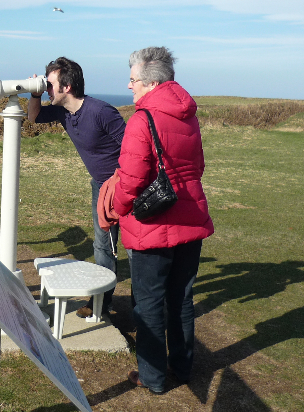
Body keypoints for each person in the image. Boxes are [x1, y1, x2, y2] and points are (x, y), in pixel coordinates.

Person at [112, 46, 214, 394]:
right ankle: (182, 368)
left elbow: (131, 180)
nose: (129, 86)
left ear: (151, 82)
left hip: (152, 225)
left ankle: (152, 377)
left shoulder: (142, 120)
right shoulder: (188, 116)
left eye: (133, 79)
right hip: (190, 216)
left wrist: (117, 208)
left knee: (149, 302)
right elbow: (197, 167)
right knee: (181, 298)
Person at [28, 57, 126, 318]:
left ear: (67, 87)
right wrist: (35, 94)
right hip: (100, 187)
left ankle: (143, 308)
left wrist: (122, 184)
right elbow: (33, 117)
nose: (47, 89)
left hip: (124, 186)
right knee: (103, 246)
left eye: (50, 84)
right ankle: (101, 304)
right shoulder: (62, 111)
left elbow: (133, 148)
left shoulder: (102, 112)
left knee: (135, 249)